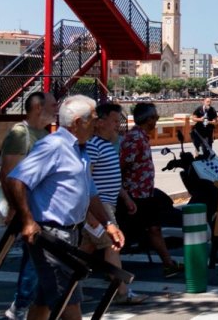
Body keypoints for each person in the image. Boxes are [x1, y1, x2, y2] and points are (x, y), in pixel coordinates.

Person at [4, 95, 126, 320]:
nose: (97, 123)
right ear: (78, 122)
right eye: (94, 119)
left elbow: (90, 192)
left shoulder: (81, 149)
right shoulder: (54, 146)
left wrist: (108, 224)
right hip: (50, 234)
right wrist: (27, 221)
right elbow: (16, 179)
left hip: (70, 233)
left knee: (44, 301)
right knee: (69, 302)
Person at [0, 92, 54, 320]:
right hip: (27, 209)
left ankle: (26, 306)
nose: (56, 108)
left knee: (37, 260)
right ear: (38, 107)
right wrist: (16, 209)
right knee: (33, 260)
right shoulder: (20, 133)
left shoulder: (44, 134)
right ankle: (20, 307)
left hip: (40, 208)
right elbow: (8, 173)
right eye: (53, 104)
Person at [81, 103, 141, 305]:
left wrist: (125, 197)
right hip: (100, 207)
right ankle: (122, 291)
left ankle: (68, 286)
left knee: (87, 247)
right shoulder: (93, 145)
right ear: (100, 122)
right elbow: (86, 180)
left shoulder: (107, 145)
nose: (118, 125)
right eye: (115, 121)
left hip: (108, 204)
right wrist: (91, 212)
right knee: (113, 244)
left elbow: (111, 177)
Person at [119, 103, 184, 277]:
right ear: (148, 119)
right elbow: (122, 164)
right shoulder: (135, 138)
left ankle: (168, 264)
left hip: (145, 193)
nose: (156, 121)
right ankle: (110, 268)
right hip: (134, 195)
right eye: (155, 117)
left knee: (154, 228)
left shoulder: (142, 137)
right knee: (124, 232)